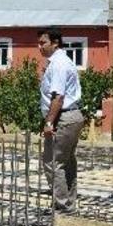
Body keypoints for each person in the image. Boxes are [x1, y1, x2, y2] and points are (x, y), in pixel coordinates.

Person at [37, 27, 84, 212]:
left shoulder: (58, 64)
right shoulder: (62, 61)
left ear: (55, 43)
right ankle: (69, 205)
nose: (39, 46)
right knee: (67, 163)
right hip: (73, 116)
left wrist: (49, 122)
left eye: (43, 43)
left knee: (53, 163)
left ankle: (63, 207)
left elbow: (58, 97)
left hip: (63, 118)